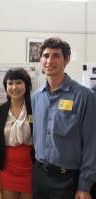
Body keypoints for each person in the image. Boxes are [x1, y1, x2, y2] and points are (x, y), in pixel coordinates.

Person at [31, 37, 96, 199]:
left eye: (56, 56)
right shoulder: (37, 97)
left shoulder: (84, 96)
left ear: (67, 60)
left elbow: (91, 144)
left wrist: (84, 186)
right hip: (39, 176)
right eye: (46, 56)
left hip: (67, 180)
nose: (49, 60)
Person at [0, 67, 34, 199]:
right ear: (6, 87)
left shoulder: (35, 108)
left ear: (26, 85)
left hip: (31, 171)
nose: (14, 87)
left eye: (19, 82)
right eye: (10, 83)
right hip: (8, 171)